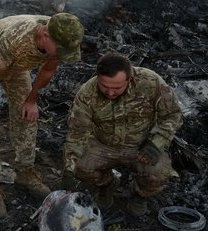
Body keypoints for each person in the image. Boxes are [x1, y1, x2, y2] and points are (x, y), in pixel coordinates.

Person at [0, 12, 85, 219]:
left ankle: (25, 171)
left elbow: (48, 69)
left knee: (28, 118)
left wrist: (31, 99)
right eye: (61, 50)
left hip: (17, 66)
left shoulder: (64, 36)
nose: (62, 54)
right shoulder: (17, 37)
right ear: (45, 35)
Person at [61, 52, 183, 217]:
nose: (110, 93)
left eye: (117, 88)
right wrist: (69, 170)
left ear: (129, 78)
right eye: (105, 86)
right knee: (80, 167)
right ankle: (107, 184)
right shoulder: (86, 93)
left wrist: (156, 144)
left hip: (141, 146)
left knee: (159, 173)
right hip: (102, 144)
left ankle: (139, 194)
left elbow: (173, 115)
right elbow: (77, 132)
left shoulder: (151, 82)